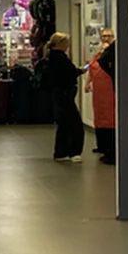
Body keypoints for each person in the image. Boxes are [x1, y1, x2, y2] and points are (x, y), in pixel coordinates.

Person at [44, 32, 86, 162]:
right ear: (61, 44)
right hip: (65, 95)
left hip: (59, 94)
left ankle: (61, 152)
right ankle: (74, 152)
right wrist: (80, 71)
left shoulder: (51, 57)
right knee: (75, 125)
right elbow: (70, 73)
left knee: (63, 124)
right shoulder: (60, 58)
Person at [86, 28, 116, 164]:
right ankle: (102, 146)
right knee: (99, 117)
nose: (106, 38)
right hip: (99, 92)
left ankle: (109, 149)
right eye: (103, 36)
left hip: (110, 91)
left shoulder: (113, 53)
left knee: (109, 118)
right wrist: (88, 83)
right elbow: (91, 68)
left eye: (108, 36)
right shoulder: (99, 53)